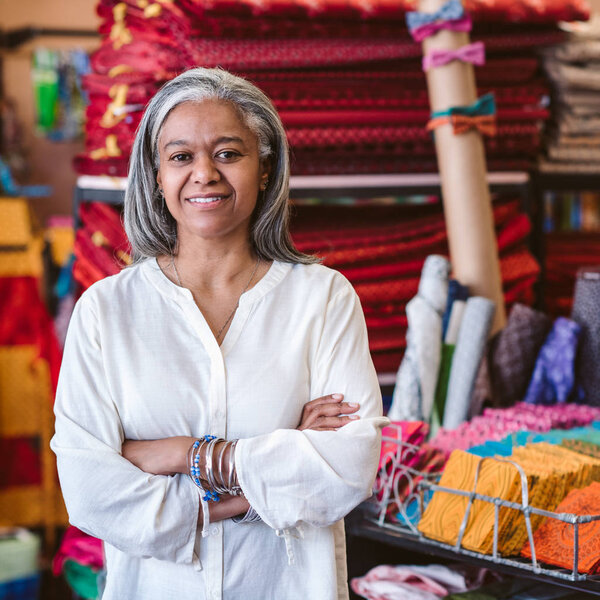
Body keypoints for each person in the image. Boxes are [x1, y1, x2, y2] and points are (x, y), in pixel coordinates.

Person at [51, 67, 388, 600]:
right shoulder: (106, 311)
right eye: (181, 156)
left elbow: (347, 467)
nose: (204, 173)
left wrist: (184, 454)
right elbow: (90, 490)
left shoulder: (322, 298)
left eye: (228, 153)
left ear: (264, 167)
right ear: (156, 175)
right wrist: (280, 459)